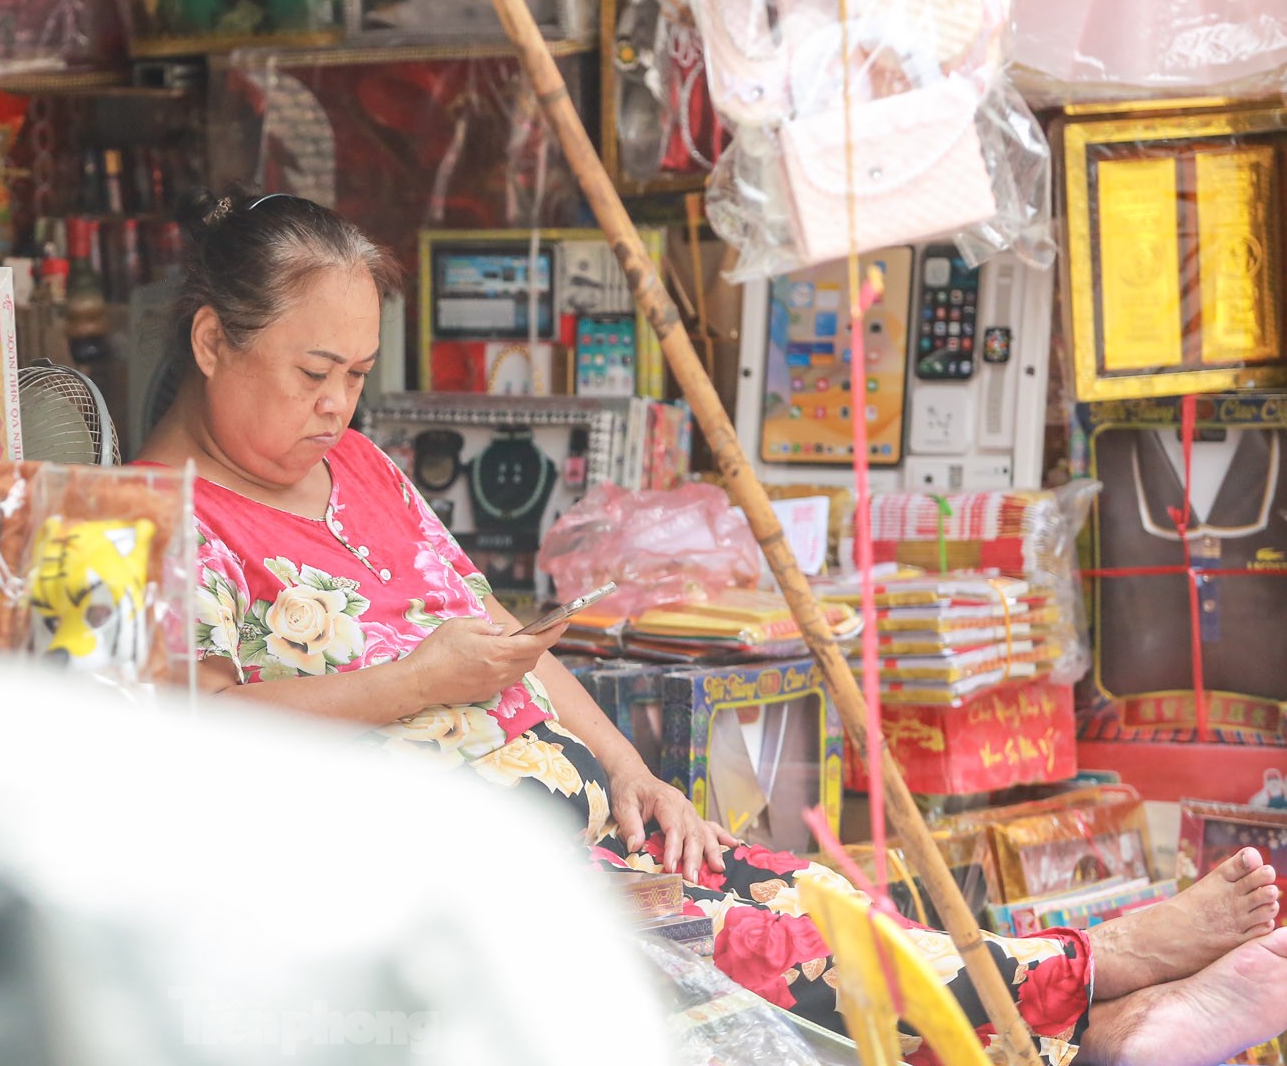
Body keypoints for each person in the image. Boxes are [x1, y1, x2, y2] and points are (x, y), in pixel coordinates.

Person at [139, 191, 1287, 1066]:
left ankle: (1105, 1016)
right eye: (312, 373)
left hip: (591, 831)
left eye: (354, 375)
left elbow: (496, 637)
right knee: (764, 957)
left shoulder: (363, 468)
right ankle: (1108, 976)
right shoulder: (154, 521)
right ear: (209, 343)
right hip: (463, 879)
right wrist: (410, 684)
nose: (337, 405)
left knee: (817, 899)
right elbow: (183, 728)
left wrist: (635, 772)